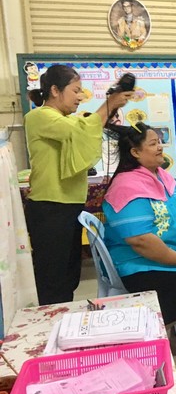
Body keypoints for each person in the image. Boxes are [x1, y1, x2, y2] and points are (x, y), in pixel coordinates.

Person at [24, 64, 132, 305]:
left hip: (69, 206)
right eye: (75, 91)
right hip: (50, 207)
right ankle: (51, 321)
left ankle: (63, 317)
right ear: (55, 90)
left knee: (69, 275)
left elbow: (84, 128)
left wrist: (111, 107)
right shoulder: (38, 117)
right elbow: (80, 131)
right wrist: (108, 104)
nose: (80, 97)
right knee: (52, 278)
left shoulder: (66, 120)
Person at [102, 123, 176, 325]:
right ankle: (158, 329)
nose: (160, 147)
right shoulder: (126, 186)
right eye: (153, 144)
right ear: (135, 152)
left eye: (159, 142)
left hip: (170, 251)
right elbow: (140, 240)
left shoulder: (162, 175)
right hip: (137, 262)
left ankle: (169, 323)